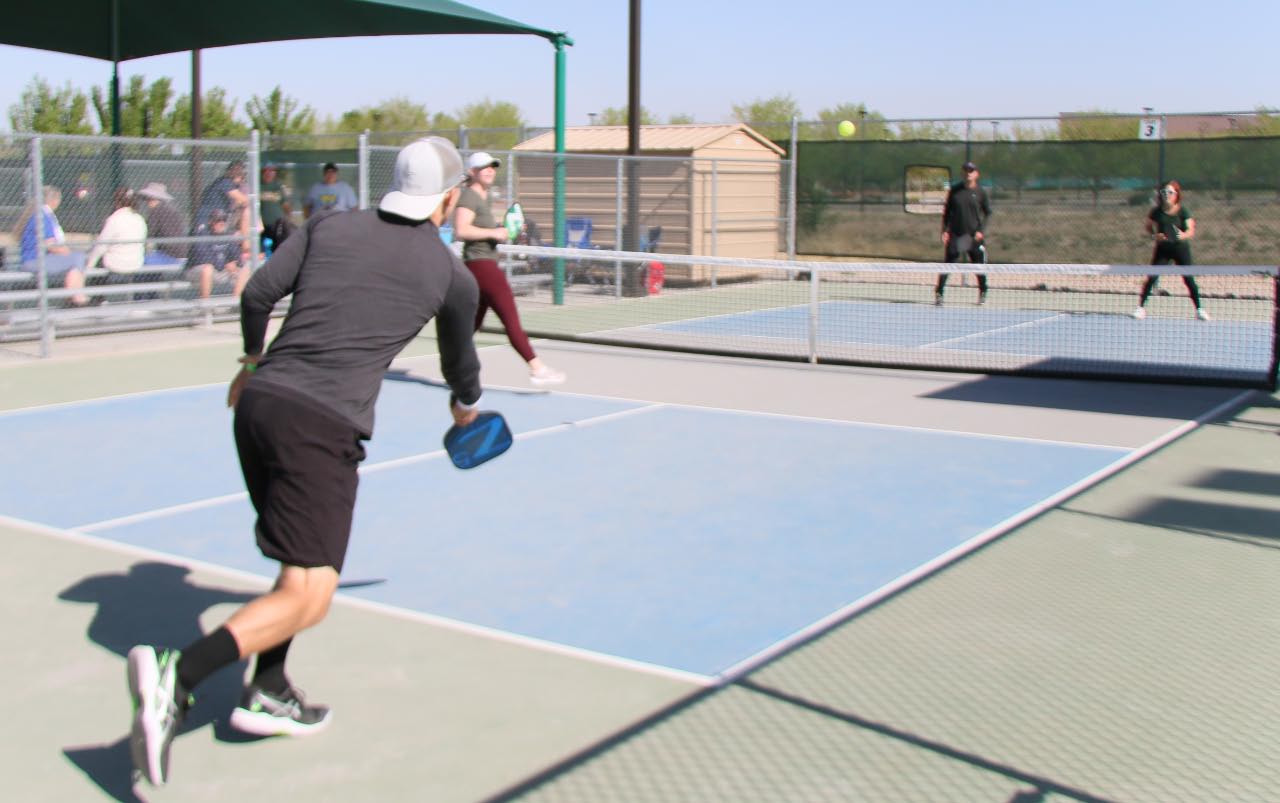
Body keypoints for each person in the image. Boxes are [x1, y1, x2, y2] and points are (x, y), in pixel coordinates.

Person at [124, 136, 484, 787]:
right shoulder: (451, 276)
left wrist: (250, 362)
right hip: (321, 429)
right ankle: (178, 676)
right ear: (449, 197)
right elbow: (461, 367)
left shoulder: (329, 224)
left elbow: (257, 295)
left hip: (258, 408)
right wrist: (464, 410)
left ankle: (267, 688)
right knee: (311, 596)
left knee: (297, 571)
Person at [453, 151, 566, 385]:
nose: (490, 170)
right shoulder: (469, 197)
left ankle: (454, 367)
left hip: (483, 265)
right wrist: (494, 232)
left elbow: (484, 232)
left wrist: (505, 231)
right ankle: (537, 368)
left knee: (472, 324)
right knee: (511, 320)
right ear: (472, 172)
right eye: (484, 167)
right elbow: (461, 230)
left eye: (492, 167)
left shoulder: (483, 198)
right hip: (482, 266)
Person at [1132, 180, 1209, 321]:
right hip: (1163, 250)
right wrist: (1155, 235)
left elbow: (1190, 230)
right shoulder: (1156, 211)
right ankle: (1141, 308)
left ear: (1176, 194)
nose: (1166, 195)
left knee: (1188, 279)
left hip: (1180, 250)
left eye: (1170, 192)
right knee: (1152, 277)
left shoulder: (1183, 211)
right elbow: (1148, 226)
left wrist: (1182, 235)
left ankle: (1199, 309)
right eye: (1164, 192)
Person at [14, 185, 90, 306]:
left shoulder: (42, 214)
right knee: (77, 258)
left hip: (40, 260)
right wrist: (68, 253)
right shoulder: (42, 215)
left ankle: (75, 298)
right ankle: (76, 299)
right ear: (54, 201)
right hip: (35, 261)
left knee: (77, 259)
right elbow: (51, 245)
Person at [935, 161, 992, 305]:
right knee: (948, 264)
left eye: (971, 171)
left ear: (976, 174)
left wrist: (981, 231)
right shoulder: (954, 191)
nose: (968, 173)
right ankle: (939, 293)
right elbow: (947, 212)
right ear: (962, 173)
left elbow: (988, 213)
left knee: (978, 267)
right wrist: (945, 230)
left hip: (973, 236)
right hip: (956, 235)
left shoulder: (981, 192)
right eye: (966, 171)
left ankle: (983, 292)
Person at [84, 187, 148, 280]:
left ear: (117, 202)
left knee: (94, 260)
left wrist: (89, 266)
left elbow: (101, 246)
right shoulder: (139, 219)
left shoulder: (114, 219)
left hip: (116, 265)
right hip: (136, 263)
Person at [186, 209, 250, 299]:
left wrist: (234, 264)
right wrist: (226, 264)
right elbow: (204, 259)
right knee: (207, 269)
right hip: (196, 271)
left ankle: (235, 301)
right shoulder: (202, 234)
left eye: (224, 219)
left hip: (221, 271)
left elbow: (236, 257)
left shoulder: (228, 235)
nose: (222, 223)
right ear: (210, 222)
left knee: (246, 270)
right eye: (218, 220)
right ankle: (205, 303)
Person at [195, 160, 250, 237]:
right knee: (205, 239)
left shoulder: (235, 185)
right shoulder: (224, 182)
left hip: (219, 218)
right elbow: (243, 199)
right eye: (235, 170)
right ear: (228, 171)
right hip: (207, 217)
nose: (237, 173)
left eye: (240, 171)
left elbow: (239, 203)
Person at [137, 182, 189, 264]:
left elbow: (149, 233)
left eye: (148, 199)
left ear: (153, 198)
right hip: (183, 253)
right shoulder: (171, 209)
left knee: (141, 261)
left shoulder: (156, 211)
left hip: (170, 255)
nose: (147, 202)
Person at [258, 162, 294, 251]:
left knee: (278, 249)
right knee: (261, 250)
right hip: (261, 225)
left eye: (272, 171)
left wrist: (288, 219)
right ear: (262, 172)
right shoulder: (257, 186)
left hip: (277, 224)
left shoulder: (278, 186)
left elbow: (286, 205)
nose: (269, 173)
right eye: (266, 171)